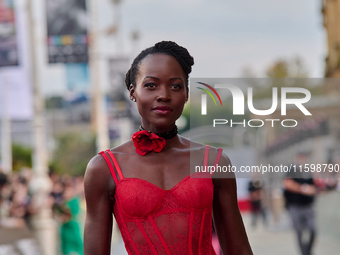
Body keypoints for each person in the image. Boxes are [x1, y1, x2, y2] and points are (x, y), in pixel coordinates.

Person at [83, 41, 253, 255]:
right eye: (151, 85)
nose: (164, 95)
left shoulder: (214, 162)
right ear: (132, 92)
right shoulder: (103, 168)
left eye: (175, 86)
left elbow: (239, 249)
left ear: (187, 94)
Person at [283, 152, 317, 255]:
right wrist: (303, 189)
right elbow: (287, 184)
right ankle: (304, 252)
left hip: (308, 206)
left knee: (312, 229)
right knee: (299, 232)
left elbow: (313, 186)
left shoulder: (308, 171)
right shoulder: (291, 170)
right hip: (295, 206)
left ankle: (308, 250)